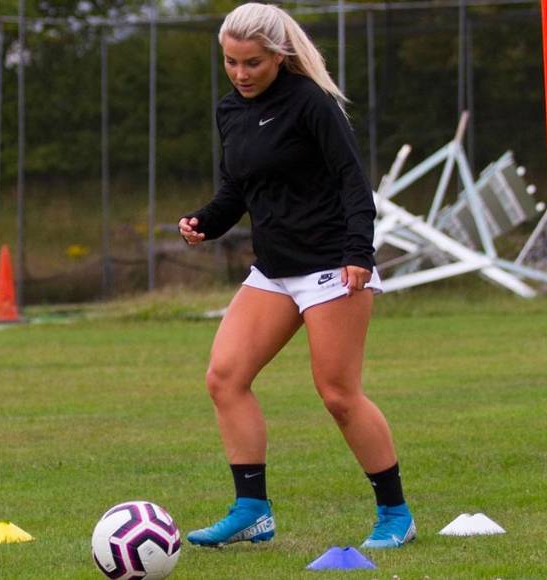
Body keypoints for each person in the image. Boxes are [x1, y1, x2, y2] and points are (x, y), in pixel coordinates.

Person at [178, 2, 415, 550]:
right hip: (274, 269)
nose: (241, 74)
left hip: (332, 262)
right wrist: (205, 222)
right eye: (232, 62)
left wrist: (360, 250)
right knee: (225, 377)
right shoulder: (230, 110)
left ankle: (395, 513)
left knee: (337, 393)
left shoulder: (312, 103)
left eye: (253, 63)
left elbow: (353, 182)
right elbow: (236, 189)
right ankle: (252, 511)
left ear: (279, 56)